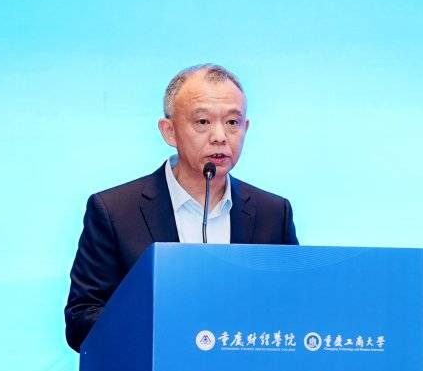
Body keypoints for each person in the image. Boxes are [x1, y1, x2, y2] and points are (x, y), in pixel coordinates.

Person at [65, 64, 298, 351]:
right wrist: (169, 331)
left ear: (245, 128)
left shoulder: (273, 213)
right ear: (170, 131)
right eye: (202, 122)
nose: (220, 136)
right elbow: (81, 320)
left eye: (232, 122)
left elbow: (295, 307)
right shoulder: (114, 211)